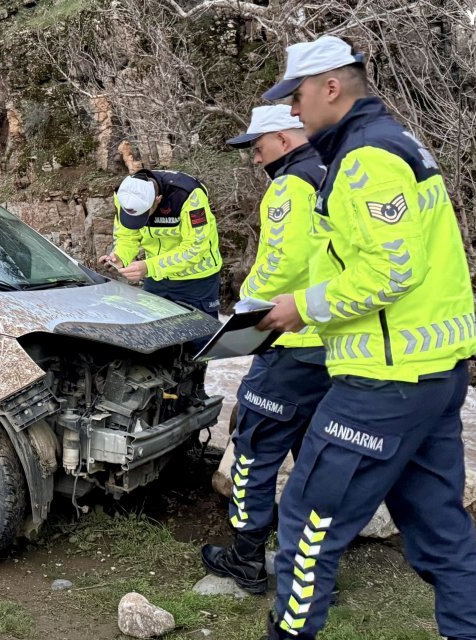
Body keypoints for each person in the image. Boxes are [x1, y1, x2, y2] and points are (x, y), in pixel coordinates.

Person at [255, 35, 476, 639]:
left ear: (330, 88)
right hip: (433, 374)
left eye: (297, 96)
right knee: (441, 529)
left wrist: (302, 308)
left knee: (308, 527)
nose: (293, 110)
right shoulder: (394, 142)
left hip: (383, 384)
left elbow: (391, 270)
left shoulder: (367, 157)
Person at [199, 105, 331, 595]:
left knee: (255, 450)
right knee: (316, 459)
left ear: (282, 137)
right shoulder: (335, 171)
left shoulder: (291, 185)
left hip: (289, 343)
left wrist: (243, 307)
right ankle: (314, 572)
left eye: (258, 147)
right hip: (334, 345)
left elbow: (281, 262)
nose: (255, 159)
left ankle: (246, 560)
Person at [103, 168, 222, 318]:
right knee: (155, 333)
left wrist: (149, 266)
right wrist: (120, 256)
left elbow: (196, 247)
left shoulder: (188, 194)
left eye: (144, 214)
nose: (141, 221)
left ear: (158, 199)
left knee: (200, 338)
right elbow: (127, 236)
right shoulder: (125, 194)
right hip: (156, 279)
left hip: (197, 282)